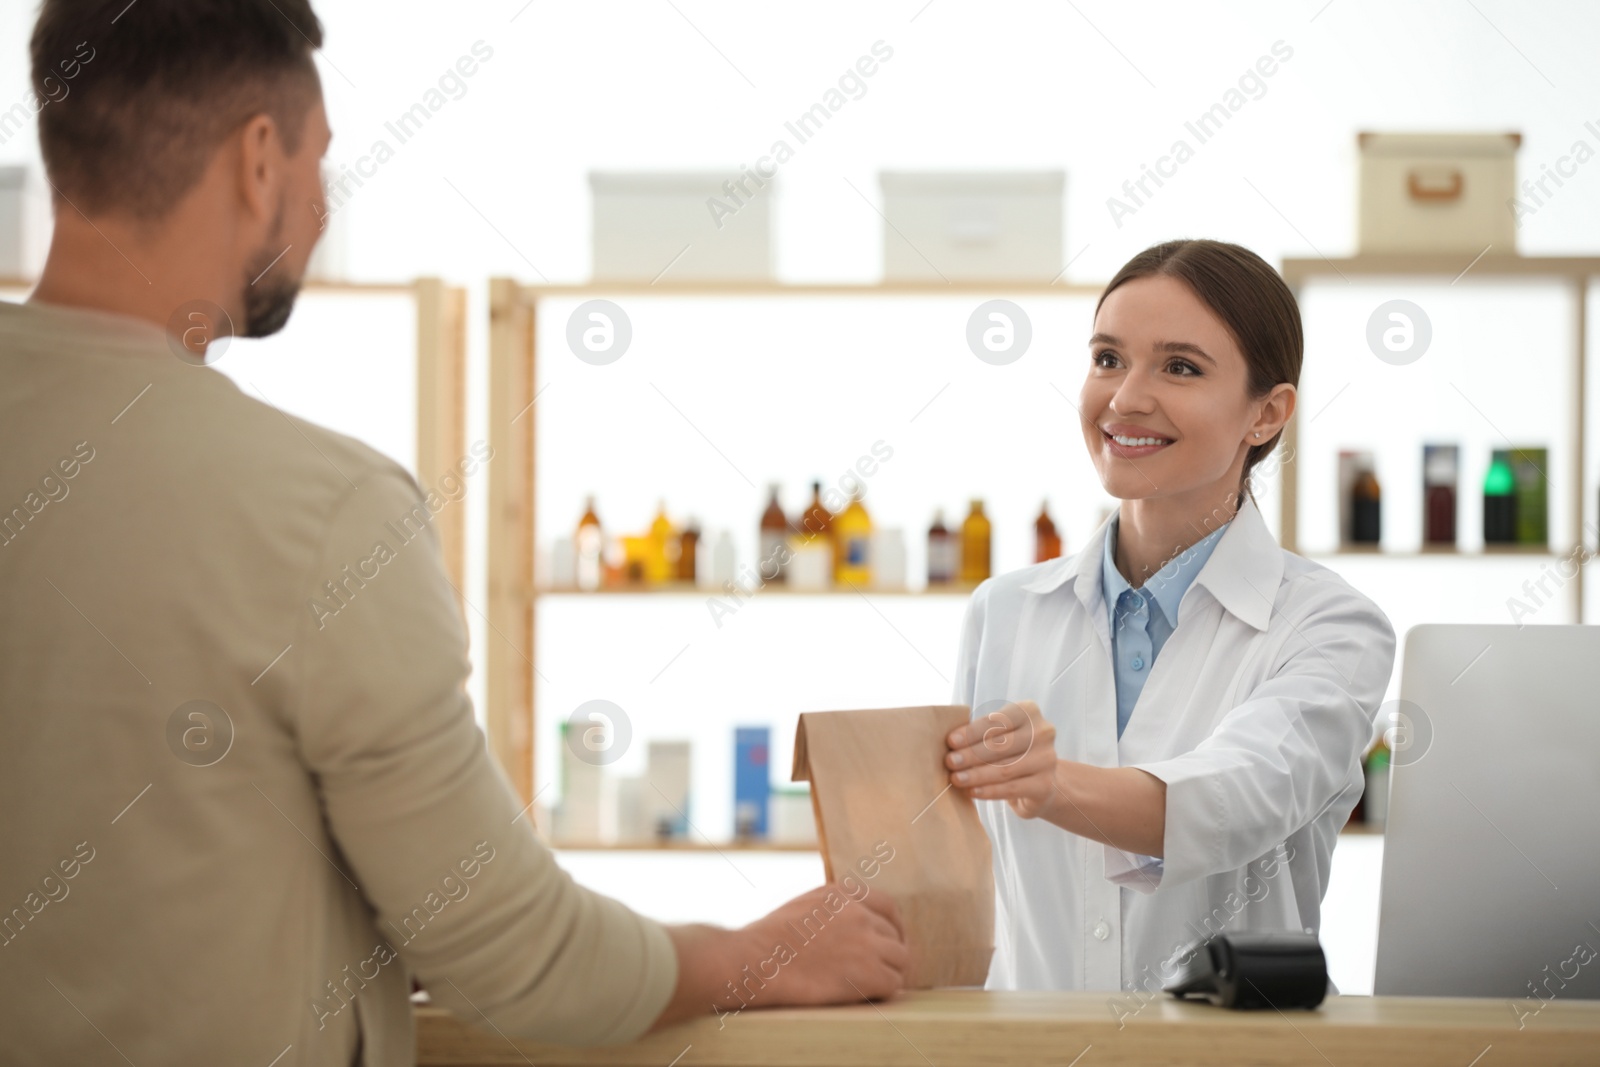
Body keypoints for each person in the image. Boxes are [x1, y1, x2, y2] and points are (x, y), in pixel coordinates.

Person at [0, 2, 907, 1063]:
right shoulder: (322, 513)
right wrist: (752, 953)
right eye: (318, 163)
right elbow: (515, 955)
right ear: (257, 159)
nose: (322, 203)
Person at [943, 239, 1396, 1000]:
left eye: (1180, 367)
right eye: (1108, 358)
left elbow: (1238, 798)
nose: (1124, 399)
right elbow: (969, 873)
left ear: (1266, 412)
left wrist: (1050, 784)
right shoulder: (1005, 610)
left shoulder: (1331, 627)